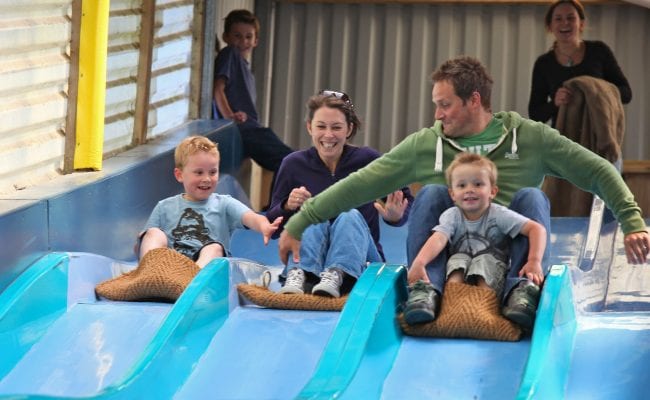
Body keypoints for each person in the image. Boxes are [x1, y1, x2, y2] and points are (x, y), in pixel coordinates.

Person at [278, 56, 649, 332]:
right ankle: (426, 289)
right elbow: (360, 183)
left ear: (474, 100)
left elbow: (597, 169)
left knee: (533, 199)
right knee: (432, 194)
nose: (437, 114)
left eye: (445, 104)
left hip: (507, 253)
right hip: (446, 249)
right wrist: (301, 221)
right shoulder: (426, 144)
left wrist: (632, 222)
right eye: (436, 104)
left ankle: (522, 291)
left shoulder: (531, 139)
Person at [266, 90, 413, 298]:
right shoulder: (293, 164)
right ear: (309, 127)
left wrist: (395, 217)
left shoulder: (368, 160)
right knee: (314, 213)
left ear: (349, 129)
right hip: (312, 264)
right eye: (321, 127)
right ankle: (301, 273)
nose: (328, 135)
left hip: (361, 263)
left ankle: (339, 272)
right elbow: (272, 226)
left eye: (336, 127)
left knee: (349, 215)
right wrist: (287, 207)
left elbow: (407, 202)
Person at [407, 153, 546, 329]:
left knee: (484, 260)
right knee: (458, 259)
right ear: (453, 194)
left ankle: (485, 310)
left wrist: (534, 261)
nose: (469, 189)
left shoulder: (499, 214)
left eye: (478, 184)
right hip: (462, 270)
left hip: (491, 273)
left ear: (493, 191)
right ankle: (452, 307)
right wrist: (419, 262)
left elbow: (536, 229)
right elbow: (438, 238)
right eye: (462, 185)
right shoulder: (452, 215)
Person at [139, 136, 282, 268]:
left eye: (212, 172)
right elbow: (144, 243)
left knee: (214, 248)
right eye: (199, 172)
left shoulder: (224, 204)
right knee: (153, 233)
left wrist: (264, 226)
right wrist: (145, 240)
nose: (207, 178)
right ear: (180, 175)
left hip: (207, 273)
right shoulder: (164, 207)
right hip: (172, 268)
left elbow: (250, 217)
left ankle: (191, 279)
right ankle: (150, 272)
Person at [528, 0, 631, 128]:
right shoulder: (543, 64)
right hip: (562, 141)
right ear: (550, 26)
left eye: (571, 18)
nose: (565, 23)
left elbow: (626, 93)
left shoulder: (599, 51)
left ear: (581, 24)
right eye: (558, 19)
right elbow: (535, 114)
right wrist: (555, 103)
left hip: (598, 136)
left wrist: (600, 92)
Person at [213, 9, 293, 175]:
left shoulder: (247, 70)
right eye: (237, 36)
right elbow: (218, 88)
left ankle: (278, 201)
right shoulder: (230, 54)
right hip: (245, 131)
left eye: (248, 37)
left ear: (256, 40)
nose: (243, 41)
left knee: (288, 164)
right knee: (292, 162)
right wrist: (229, 116)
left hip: (251, 130)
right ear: (225, 37)